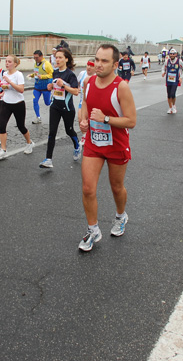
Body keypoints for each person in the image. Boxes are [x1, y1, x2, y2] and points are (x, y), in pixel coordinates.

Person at [78, 44, 137, 252]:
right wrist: (83, 121)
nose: (98, 64)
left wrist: (105, 119)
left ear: (115, 64)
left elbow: (131, 121)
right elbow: (85, 103)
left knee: (116, 187)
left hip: (116, 145)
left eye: (104, 61)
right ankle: (93, 229)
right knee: (87, 187)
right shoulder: (88, 82)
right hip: (94, 143)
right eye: (96, 59)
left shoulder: (121, 87)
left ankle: (121, 216)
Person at [39, 48, 81, 168]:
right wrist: (51, 86)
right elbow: (55, 87)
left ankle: (77, 146)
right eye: (56, 57)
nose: (57, 59)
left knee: (69, 131)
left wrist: (64, 85)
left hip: (67, 108)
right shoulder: (55, 73)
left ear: (66, 59)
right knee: (52, 132)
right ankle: (48, 159)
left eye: (60, 57)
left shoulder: (70, 75)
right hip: (55, 106)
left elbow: (76, 91)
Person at [0, 55, 35, 159]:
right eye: (6, 61)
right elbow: (5, 88)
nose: (7, 63)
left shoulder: (18, 75)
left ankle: (29, 143)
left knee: (21, 126)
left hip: (18, 103)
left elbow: (21, 89)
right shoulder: (4, 73)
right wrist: (1, 92)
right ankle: (3, 150)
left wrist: (9, 81)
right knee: (1, 125)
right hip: (6, 103)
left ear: (15, 64)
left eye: (9, 61)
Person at [77, 58, 96, 153]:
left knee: (91, 123)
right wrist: (77, 89)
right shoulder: (82, 74)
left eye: (91, 65)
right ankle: (84, 136)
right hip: (82, 102)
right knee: (81, 120)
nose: (89, 67)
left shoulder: (97, 77)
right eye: (88, 65)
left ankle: (91, 138)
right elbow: (76, 83)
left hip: (93, 104)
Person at [30, 50, 54, 124]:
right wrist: (32, 75)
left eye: (37, 57)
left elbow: (52, 74)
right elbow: (36, 73)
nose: (35, 59)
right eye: (34, 57)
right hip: (37, 87)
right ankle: (38, 117)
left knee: (47, 103)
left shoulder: (46, 64)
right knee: (35, 101)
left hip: (45, 87)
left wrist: (43, 77)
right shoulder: (36, 64)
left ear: (41, 56)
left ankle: (54, 99)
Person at [162, 48, 183, 114]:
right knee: (169, 95)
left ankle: (173, 105)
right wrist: (163, 72)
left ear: (176, 54)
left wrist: (181, 77)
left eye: (173, 54)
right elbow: (163, 68)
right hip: (168, 80)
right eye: (171, 54)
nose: (172, 55)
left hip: (175, 80)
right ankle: (170, 107)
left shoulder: (179, 61)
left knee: (173, 94)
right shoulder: (167, 61)